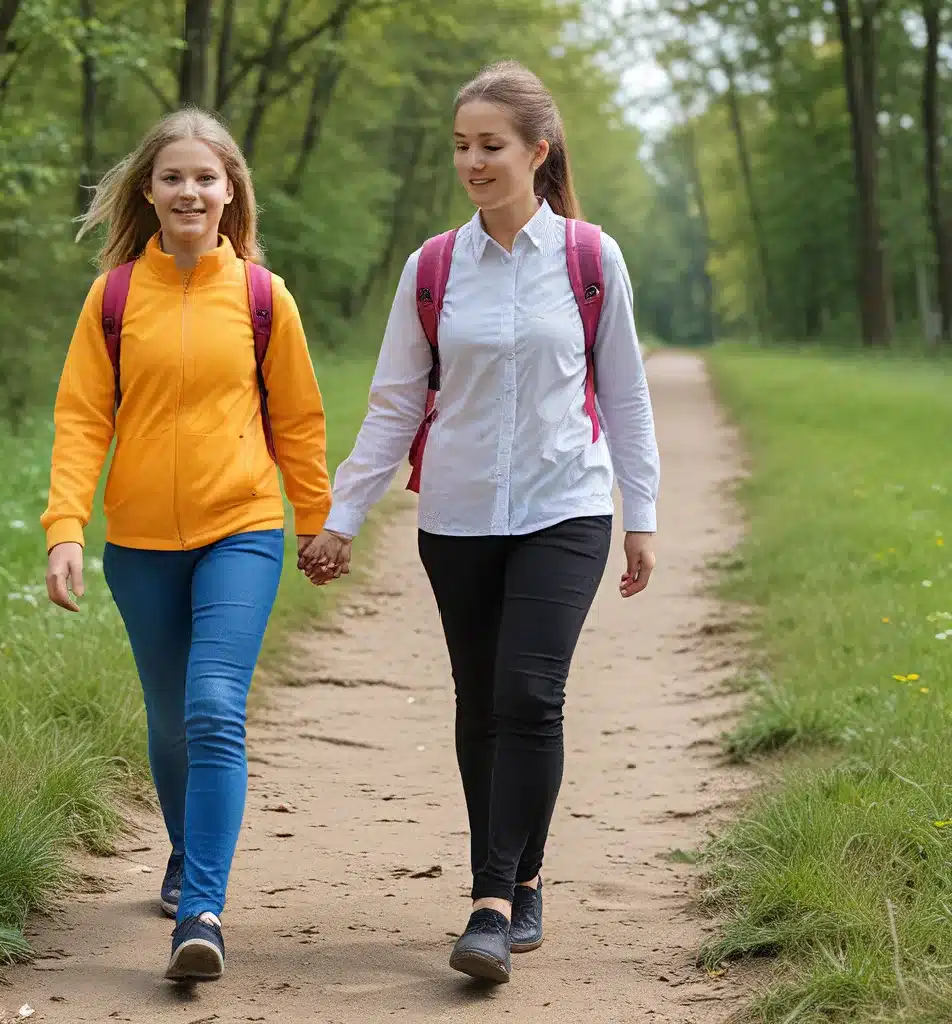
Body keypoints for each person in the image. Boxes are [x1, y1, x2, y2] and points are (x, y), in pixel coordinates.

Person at [299, 60, 660, 984]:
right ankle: (521, 874)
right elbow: (392, 403)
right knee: (480, 705)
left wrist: (640, 514)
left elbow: (624, 394)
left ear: (538, 152)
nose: (473, 162)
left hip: (564, 506)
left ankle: (492, 902)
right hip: (457, 514)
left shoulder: (589, 257)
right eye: (461, 146)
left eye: (490, 146)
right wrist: (343, 515)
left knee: (530, 695)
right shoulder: (433, 266)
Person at [40, 109, 332, 984]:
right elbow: (82, 419)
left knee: (212, 707)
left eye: (206, 177)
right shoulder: (116, 297)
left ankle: (202, 907)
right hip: (137, 544)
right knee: (169, 723)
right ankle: (185, 848)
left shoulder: (261, 296)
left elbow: (299, 418)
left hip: (240, 529)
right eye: (173, 177)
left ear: (231, 191)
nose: (190, 191)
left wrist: (314, 519)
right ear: (149, 192)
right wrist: (65, 529)